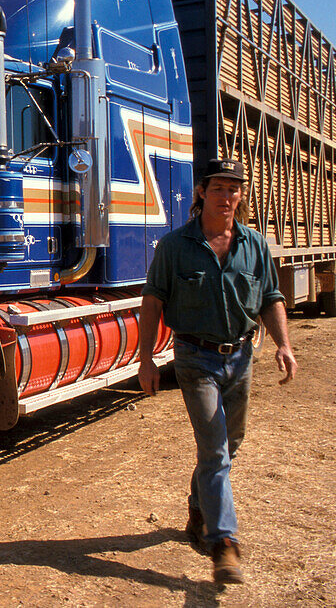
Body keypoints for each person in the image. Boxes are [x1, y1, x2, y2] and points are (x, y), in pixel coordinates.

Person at [137, 158, 297, 585]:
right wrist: (146, 358)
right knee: (214, 448)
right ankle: (223, 541)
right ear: (202, 193)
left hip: (242, 357)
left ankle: (198, 507)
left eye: (234, 189)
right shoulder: (174, 247)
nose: (227, 197)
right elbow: (152, 303)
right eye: (220, 188)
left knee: (231, 443)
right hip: (195, 359)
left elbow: (271, 297)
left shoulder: (254, 245)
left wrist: (283, 344)